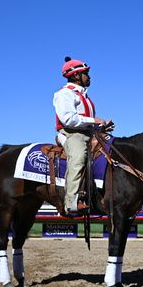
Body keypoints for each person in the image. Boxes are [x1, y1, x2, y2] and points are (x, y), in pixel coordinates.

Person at [53, 57, 112, 216]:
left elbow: (85, 121)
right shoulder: (64, 94)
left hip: (89, 134)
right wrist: (94, 120)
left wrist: (102, 125)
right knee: (79, 157)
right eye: (86, 73)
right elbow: (68, 119)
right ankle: (71, 202)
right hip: (71, 135)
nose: (89, 76)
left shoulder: (84, 96)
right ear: (76, 76)